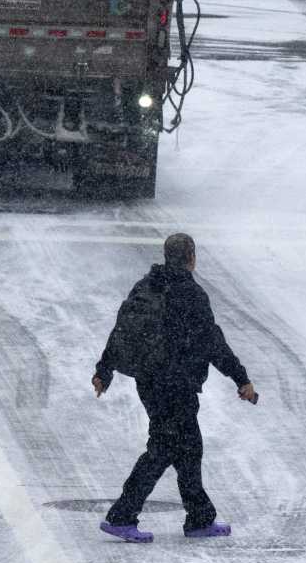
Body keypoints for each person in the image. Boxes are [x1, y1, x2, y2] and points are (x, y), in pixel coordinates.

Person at [92, 232, 259, 543]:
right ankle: (122, 515)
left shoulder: (146, 286)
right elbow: (214, 343)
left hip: (149, 381)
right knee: (164, 447)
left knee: (188, 447)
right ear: (192, 258)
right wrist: (242, 379)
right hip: (177, 384)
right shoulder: (191, 295)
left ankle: (199, 517)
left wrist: (104, 369)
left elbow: (122, 331)